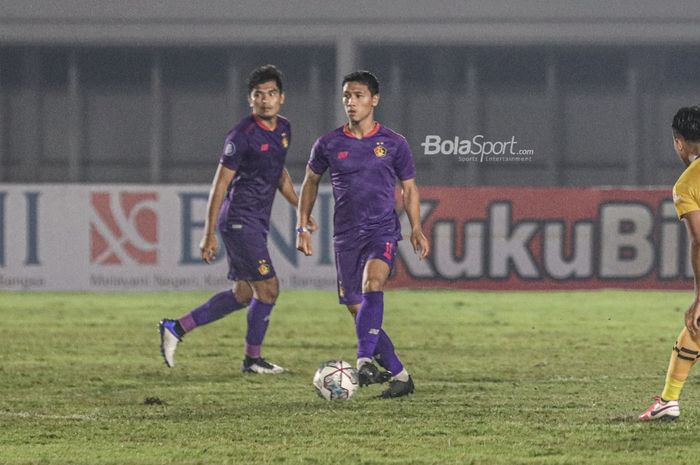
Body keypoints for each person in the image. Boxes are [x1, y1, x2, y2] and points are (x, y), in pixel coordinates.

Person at [159, 64, 315, 374]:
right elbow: (220, 184)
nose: (266, 100)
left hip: (256, 221)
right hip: (240, 220)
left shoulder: (284, 129)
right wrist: (208, 233)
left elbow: (279, 174)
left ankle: (175, 327)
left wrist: (302, 209)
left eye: (271, 94)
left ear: (281, 98)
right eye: (259, 95)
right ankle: (252, 360)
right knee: (269, 289)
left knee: (243, 294)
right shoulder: (241, 136)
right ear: (250, 100)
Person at [296, 70, 430, 398]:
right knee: (358, 309)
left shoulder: (394, 144)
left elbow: (409, 189)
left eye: (358, 96)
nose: (351, 102)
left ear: (374, 100)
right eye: (346, 96)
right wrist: (303, 222)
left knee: (373, 284)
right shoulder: (328, 143)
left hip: (382, 229)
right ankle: (400, 376)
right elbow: (310, 181)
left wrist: (416, 228)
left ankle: (364, 360)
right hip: (345, 236)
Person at [640, 106, 700, 420]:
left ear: (679, 143)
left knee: (696, 322)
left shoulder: (686, 185)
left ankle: (668, 401)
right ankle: (668, 401)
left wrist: (699, 298)